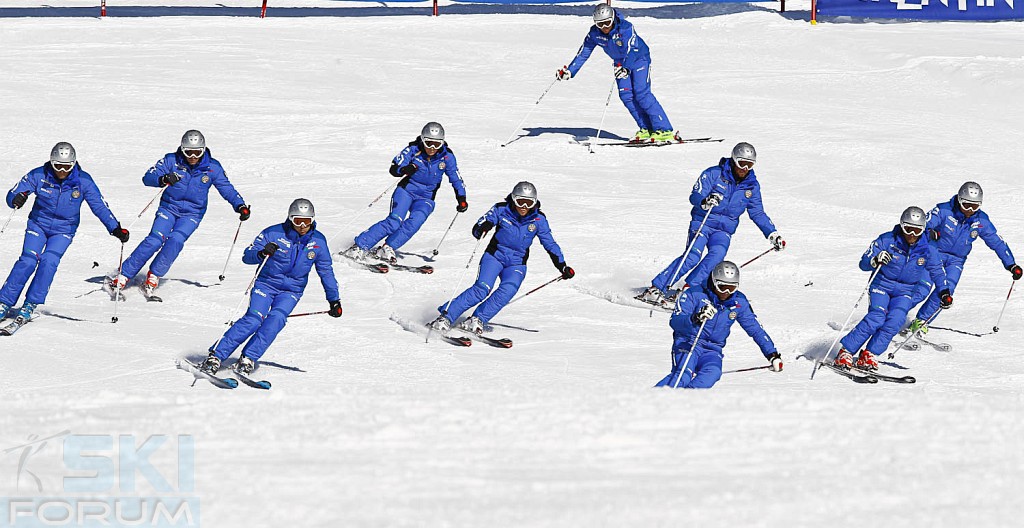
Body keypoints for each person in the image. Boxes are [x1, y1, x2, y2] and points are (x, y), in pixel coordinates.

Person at [201, 199, 341, 374]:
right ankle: (216, 355)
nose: (303, 226)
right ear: (290, 219)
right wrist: (262, 253)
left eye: (307, 221)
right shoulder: (273, 233)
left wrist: (334, 300)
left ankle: (248, 357)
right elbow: (247, 256)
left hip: (292, 290)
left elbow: (326, 271)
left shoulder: (318, 241)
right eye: (298, 221)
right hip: (266, 284)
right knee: (254, 318)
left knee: (277, 319)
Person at [640, 142, 784, 307]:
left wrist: (772, 233)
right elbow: (695, 195)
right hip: (703, 222)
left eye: (749, 164)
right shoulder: (714, 174)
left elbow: (757, 212)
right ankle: (656, 288)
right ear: (734, 160)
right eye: (741, 163)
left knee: (716, 257)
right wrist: (705, 202)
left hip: (723, 231)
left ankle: (687, 290)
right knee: (693, 256)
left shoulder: (751, 186)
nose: (744, 168)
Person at [1, 142, 128, 328]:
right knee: (28, 260)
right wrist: (17, 198)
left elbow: (99, 206)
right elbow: (15, 192)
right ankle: (4, 302)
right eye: (57, 166)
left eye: (67, 166)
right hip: (38, 224)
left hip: (63, 230)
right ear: (51, 163)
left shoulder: (83, 181)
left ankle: (30, 305)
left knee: (49, 261)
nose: (62, 171)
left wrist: (115, 228)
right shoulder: (39, 175)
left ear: (74, 164)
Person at [110, 130, 249, 298]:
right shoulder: (171, 160)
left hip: (193, 213)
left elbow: (227, 188)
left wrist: (240, 205)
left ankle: (154, 276)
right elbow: (148, 177)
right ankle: (123, 275)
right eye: (188, 152)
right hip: (169, 208)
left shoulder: (213, 168)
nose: (192, 156)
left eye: (197, 152)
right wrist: (163, 179)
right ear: (182, 149)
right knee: (155, 239)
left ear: (203, 150)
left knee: (176, 240)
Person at [429, 181, 574, 335]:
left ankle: (477, 319)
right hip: (495, 257)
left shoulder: (538, 219)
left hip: (517, 264)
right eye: (520, 201)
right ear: (513, 198)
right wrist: (483, 227)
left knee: (507, 291)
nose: (524, 207)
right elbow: (481, 223)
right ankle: (445, 317)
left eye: (529, 203)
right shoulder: (501, 209)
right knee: (481, 289)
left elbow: (550, 243)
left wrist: (562, 266)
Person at [833, 207, 951, 371]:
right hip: (881, 285)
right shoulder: (887, 240)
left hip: (905, 291)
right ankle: (846, 352)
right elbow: (863, 263)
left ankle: (870, 354)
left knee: (895, 321)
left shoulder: (928, 249)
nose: (912, 234)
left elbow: (937, 271)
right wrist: (874, 260)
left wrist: (944, 292)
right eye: (908, 229)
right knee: (877, 317)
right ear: (901, 226)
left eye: (917, 230)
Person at [905, 182, 1020, 337]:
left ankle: (921, 322)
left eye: (975, 206)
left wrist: (1011, 264)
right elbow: (923, 225)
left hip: (956, 261)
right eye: (966, 205)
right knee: (921, 289)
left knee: (946, 292)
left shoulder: (980, 220)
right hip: (934, 254)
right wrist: (930, 233)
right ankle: (894, 317)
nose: (970, 210)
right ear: (959, 200)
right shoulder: (944, 210)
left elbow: (997, 242)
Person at [344, 122, 467, 264]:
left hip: (426, 197)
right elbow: (394, 167)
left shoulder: (447, 157)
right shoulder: (413, 150)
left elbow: (455, 177)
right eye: (428, 143)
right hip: (406, 192)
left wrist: (461, 197)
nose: (432, 148)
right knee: (394, 222)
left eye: (436, 144)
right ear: (422, 140)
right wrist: (404, 170)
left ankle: (388, 247)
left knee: (414, 223)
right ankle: (359, 246)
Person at [556, 4, 676, 143]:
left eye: (607, 22)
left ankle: (664, 129)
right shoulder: (595, 34)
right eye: (600, 24)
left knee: (641, 93)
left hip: (638, 59)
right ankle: (646, 128)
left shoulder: (626, 28)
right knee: (626, 95)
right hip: (619, 63)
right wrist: (570, 71)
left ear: (613, 19)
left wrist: (626, 67)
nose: (604, 27)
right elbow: (584, 53)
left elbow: (632, 49)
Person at [655, 261, 782, 389]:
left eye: (731, 288)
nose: (726, 292)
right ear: (714, 282)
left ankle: (682, 401)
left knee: (712, 374)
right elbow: (675, 321)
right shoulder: (694, 294)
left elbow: (755, 330)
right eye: (722, 287)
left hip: (712, 349)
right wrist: (696, 318)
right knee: (683, 375)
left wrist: (772, 354)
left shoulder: (739, 302)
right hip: (689, 343)